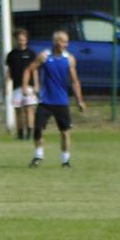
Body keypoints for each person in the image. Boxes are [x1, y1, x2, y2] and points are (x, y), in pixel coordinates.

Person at [22, 29, 87, 167]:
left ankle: (65, 161)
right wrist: (26, 87)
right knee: (38, 128)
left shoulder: (69, 59)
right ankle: (38, 156)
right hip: (45, 101)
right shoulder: (44, 56)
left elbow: (75, 81)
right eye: (63, 41)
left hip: (61, 101)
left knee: (64, 132)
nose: (66, 44)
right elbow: (29, 69)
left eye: (66, 41)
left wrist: (79, 100)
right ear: (56, 42)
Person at [4, 28, 38, 140]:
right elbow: (9, 71)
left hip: (29, 86)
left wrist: (37, 85)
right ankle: (20, 134)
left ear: (26, 40)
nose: (21, 42)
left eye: (23, 39)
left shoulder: (31, 54)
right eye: (19, 39)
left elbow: (35, 71)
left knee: (29, 109)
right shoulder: (11, 55)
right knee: (18, 111)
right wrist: (6, 84)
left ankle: (30, 133)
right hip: (17, 86)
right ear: (16, 40)